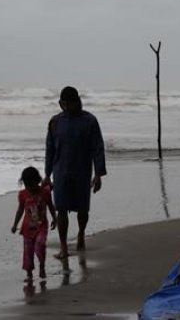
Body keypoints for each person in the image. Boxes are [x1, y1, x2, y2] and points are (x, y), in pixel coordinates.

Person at [44, 86, 106, 259]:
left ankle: (81, 233)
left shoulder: (89, 121)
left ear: (76, 101)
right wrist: (47, 174)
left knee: (82, 209)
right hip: (61, 171)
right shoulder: (55, 122)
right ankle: (64, 246)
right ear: (61, 103)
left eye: (71, 102)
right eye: (65, 103)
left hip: (82, 170)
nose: (68, 106)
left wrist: (98, 174)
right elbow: (49, 149)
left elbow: (98, 147)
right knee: (61, 209)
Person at [10, 166, 56, 281]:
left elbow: (50, 205)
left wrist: (55, 218)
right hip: (27, 229)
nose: (29, 187)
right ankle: (29, 274)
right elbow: (20, 210)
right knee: (28, 252)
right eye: (26, 185)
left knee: (40, 246)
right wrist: (15, 224)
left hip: (41, 227)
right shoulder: (23, 195)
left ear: (37, 181)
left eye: (31, 184)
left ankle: (42, 266)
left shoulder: (44, 192)